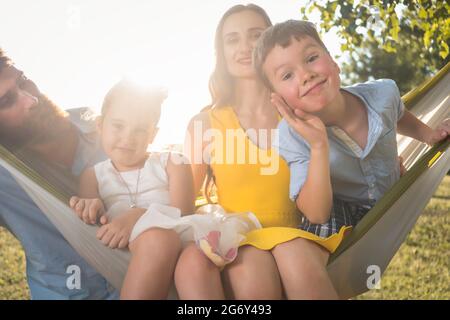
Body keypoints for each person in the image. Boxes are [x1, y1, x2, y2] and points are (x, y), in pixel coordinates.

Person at [176, 4, 349, 300]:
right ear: (221, 53)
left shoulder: (302, 113)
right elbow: (183, 204)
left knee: (287, 259)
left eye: (255, 35)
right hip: (237, 242)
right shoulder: (204, 123)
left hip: (300, 240)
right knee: (250, 270)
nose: (244, 47)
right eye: (232, 39)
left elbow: (346, 159)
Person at [253, 20, 450, 238]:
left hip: (393, 194)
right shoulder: (289, 136)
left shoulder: (383, 94)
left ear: (334, 62)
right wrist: (319, 145)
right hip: (344, 210)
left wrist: (428, 135)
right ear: (278, 99)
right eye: (287, 75)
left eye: (311, 58)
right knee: (316, 233)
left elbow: (397, 115)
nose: (305, 75)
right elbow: (317, 214)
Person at [0, 48, 118, 299]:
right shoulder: (4, 179)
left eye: (23, 82)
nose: (31, 100)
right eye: (6, 101)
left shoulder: (111, 128)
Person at [69, 80, 195, 299]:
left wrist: (139, 216)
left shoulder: (174, 163)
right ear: (100, 126)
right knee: (157, 241)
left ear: (153, 135)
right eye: (118, 126)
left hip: (179, 253)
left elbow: (184, 216)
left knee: (160, 239)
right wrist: (89, 206)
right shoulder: (93, 176)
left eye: (140, 130)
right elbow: (91, 222)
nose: (128, 137)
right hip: (125, 257)